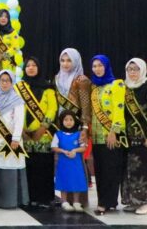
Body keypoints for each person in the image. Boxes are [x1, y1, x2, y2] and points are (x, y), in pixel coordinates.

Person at [120, 58, 147, 215]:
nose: (133, 72)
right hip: (126, 137)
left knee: (142, 170)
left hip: (144, 137)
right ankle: (132, 201)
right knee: (128, 170)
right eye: (130, 69)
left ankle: (144, 202)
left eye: (136, 69)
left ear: (142, 70)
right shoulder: (123, 88)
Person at [17, 57, 58, 208]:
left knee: (44, 167)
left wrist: (42, 128)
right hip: (25, 135)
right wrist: (21, 131)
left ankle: (44, 198)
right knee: (29, 167)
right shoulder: (19, 87)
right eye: (28, 65)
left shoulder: (48, 88)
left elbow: (52, 109)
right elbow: (15, 109)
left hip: (43, 136)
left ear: (39, 68)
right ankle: (29, 197)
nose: (31, 68)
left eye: (34, 65)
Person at [54, 48, 92, 205]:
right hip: (61, 126)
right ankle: (64, 199)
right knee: (62, 162)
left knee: (76, 162)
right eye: (63, 60)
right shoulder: (57, 77)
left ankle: (79, 200)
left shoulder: (81, 80)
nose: (65, 63)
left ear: (76, 61)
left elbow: (86, 106)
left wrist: (84, 127)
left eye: (69, 60)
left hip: (76, 127)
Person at [89, 55, 126, 215]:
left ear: (106, 66)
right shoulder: (94, 88)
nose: (97, 69)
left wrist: (114, 132)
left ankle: (106, 202)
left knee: (111, 169)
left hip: (110, 135)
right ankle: (104, 200)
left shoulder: (116, 84)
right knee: (100, 171)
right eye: (94, 66)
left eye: (100, 65)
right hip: (96, 136)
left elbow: (119, 109)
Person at [0, 70, 29, 209]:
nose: (5, 83)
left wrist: (16, 138)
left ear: (12, 82)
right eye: (2, 80)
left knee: (11, 168)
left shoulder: (17, 99)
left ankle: (12, 201)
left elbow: (19, 121)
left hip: (12, 141)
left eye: (7, 80)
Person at [53, 110, 88, 213]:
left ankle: (76, 202)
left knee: (76, 180)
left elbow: (83, 148)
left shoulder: (78, 134)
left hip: (76, 163)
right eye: (66, 120)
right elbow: (54, 147)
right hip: (63, 163)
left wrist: (74, 151)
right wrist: (63, 151)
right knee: (64, 180)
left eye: (71, 120)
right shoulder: (58, 134)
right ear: (61, 121)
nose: (68, 122)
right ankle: (64, 201)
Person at [0, 9, 20, 74]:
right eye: (1, 16)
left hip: (7, 64)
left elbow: (15, 48)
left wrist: (3, 56)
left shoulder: (12, 32)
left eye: (6, 17)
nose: (3, 18)